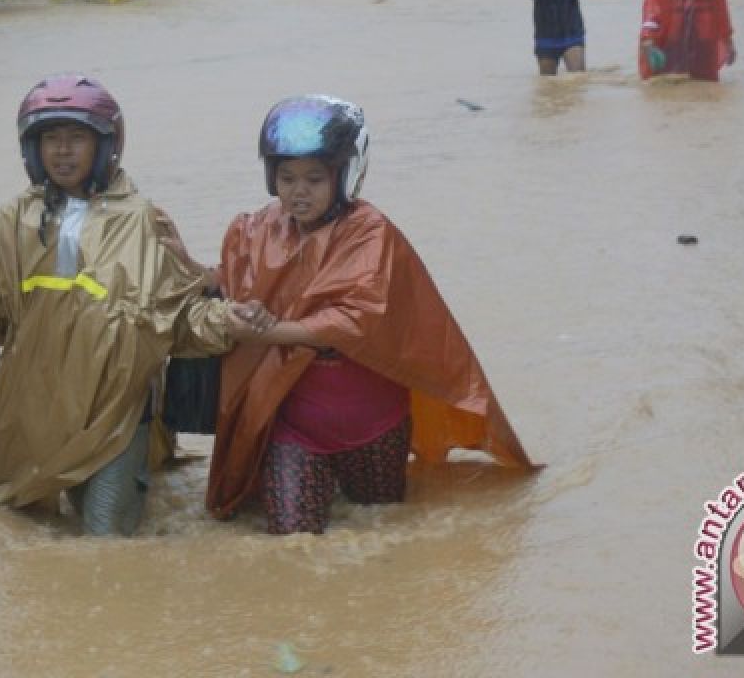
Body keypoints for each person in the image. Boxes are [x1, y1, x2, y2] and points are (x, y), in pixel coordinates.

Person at [162, 95, 538, 535]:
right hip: (294, 427)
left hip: (375, 427)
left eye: (314, 179)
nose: (298, 191)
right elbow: (238, 280)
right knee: (292, 542)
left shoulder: (372, 233)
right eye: (286, 178)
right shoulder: (258, 227)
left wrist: (270, 331)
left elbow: (353, 321)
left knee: (383, 531)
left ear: (345, 176)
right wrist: (192, 269)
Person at [0, 73, 268, 536]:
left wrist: (227, 319)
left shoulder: (144, 220)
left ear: (106, 146)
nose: (62, 151)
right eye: (51, 139)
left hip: (117, 409)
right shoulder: (10, 222)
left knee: (107, 540)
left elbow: (180, 313)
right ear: (33, 148)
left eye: (76, 139)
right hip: (32, 409)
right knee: (15, 528)